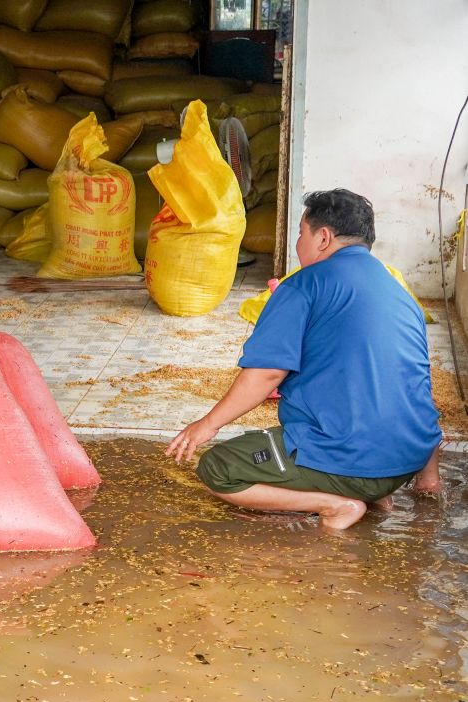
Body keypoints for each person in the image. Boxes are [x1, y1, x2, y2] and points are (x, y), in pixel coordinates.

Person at [166, 188, 443, 530]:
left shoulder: (304, 285)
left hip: (351, 462)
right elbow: (417, 381)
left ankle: (335, 505)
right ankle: (374, 493)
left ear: (323, 237)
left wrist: (206, 425)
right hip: (406, 462)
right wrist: (429, 477)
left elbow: (266, 375)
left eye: (301, 233)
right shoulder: (401, 294)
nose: (299, 244)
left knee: (218, 468)